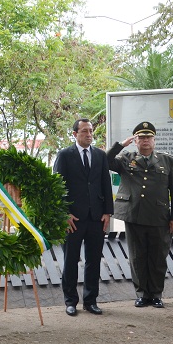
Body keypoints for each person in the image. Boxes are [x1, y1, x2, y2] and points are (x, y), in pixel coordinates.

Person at [106, 121, 173, 308]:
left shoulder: (166, 160)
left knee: (157, 257)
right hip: (134, 215)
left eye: (148, 137)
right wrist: (120, 146)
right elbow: (105, 161)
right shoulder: (126, 158)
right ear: (135, 141)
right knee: (137, 257)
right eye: (141, 138)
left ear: (154, 140)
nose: (145, 141)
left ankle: (156, 294)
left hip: (159, 216)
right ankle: (141, 294)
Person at [53, 118, 113, 316]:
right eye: (85, 131)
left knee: (93, 260)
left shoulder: (100, 155)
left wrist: (107, 212)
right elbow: (57, 187)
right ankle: (70, 301)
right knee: (71, 260)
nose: (89, 134)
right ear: (75, 134)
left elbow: (105, 183)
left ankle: (91, 300)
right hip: (73, 218)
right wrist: (64, 213)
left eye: (91, 131)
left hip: (96, 217)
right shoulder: (64, 155)